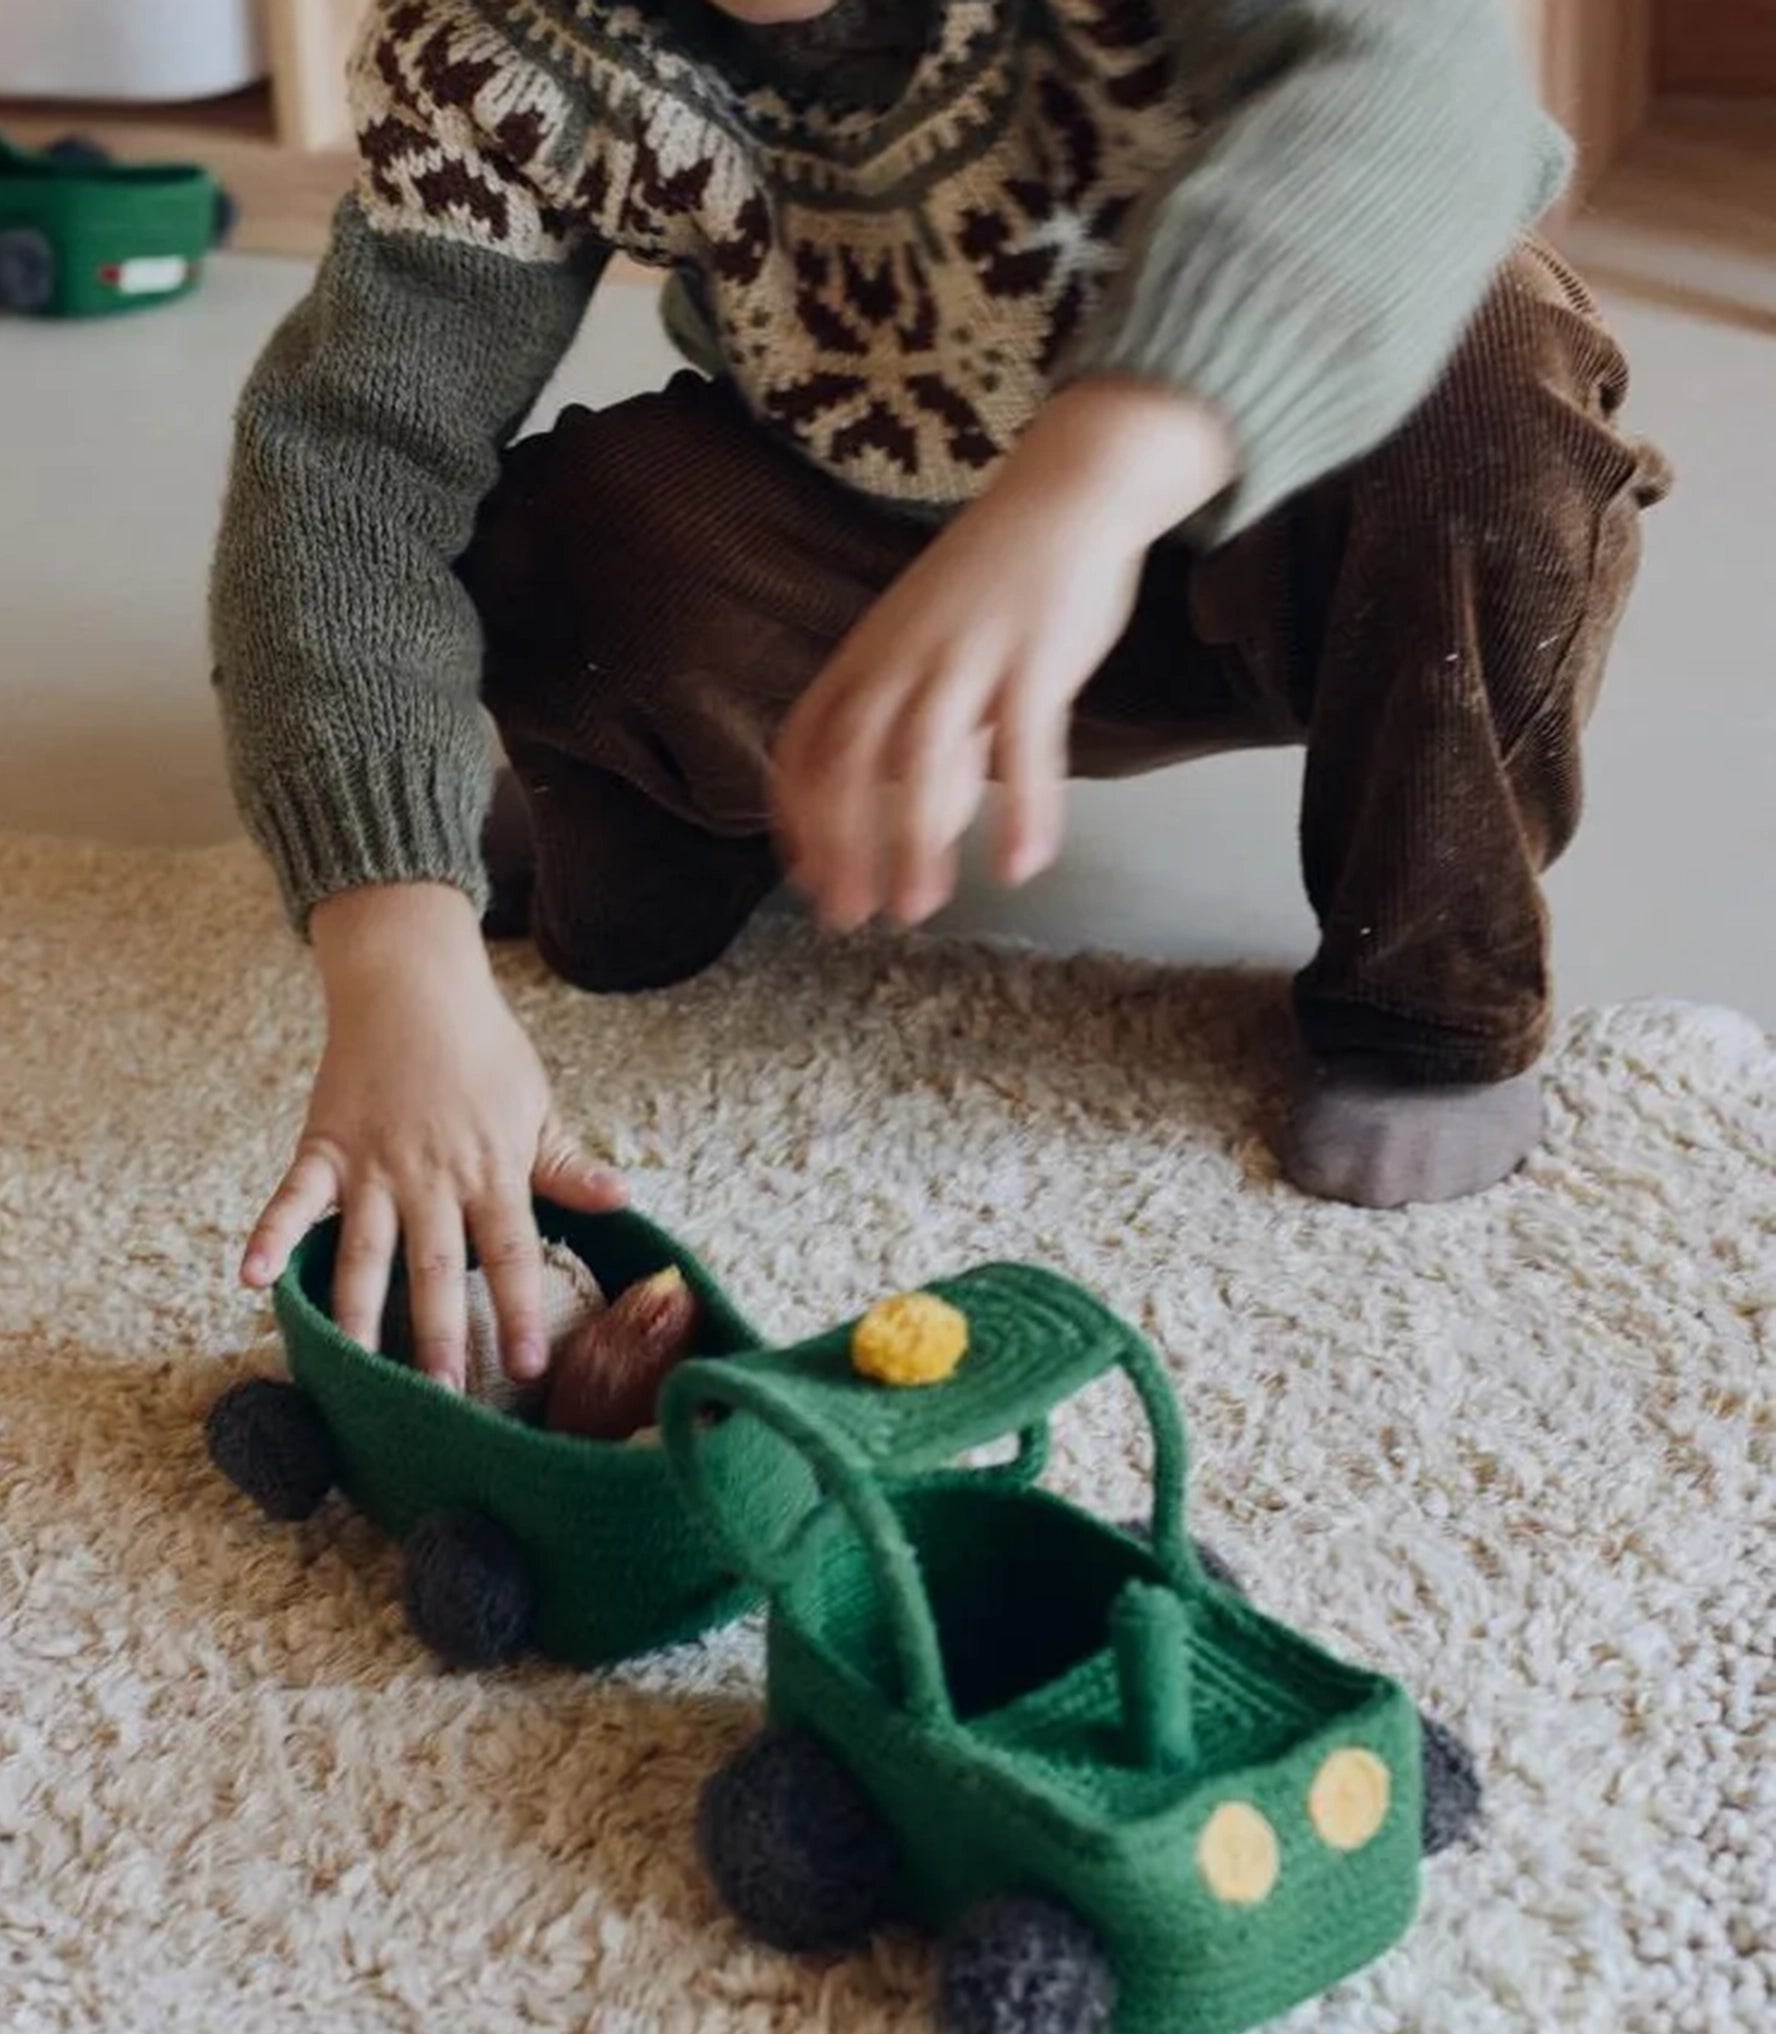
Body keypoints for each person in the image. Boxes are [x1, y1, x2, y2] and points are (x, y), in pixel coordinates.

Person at [210, 0, 1671, 1389]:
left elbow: (1416, 97)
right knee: (573, 537)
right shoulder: (485, 43)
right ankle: (685, 820)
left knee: (1493, 371)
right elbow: (354, 465)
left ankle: (1425, 1002)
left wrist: (1086, 490)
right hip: (877, 545)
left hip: (1278, 528)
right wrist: (394, 947)